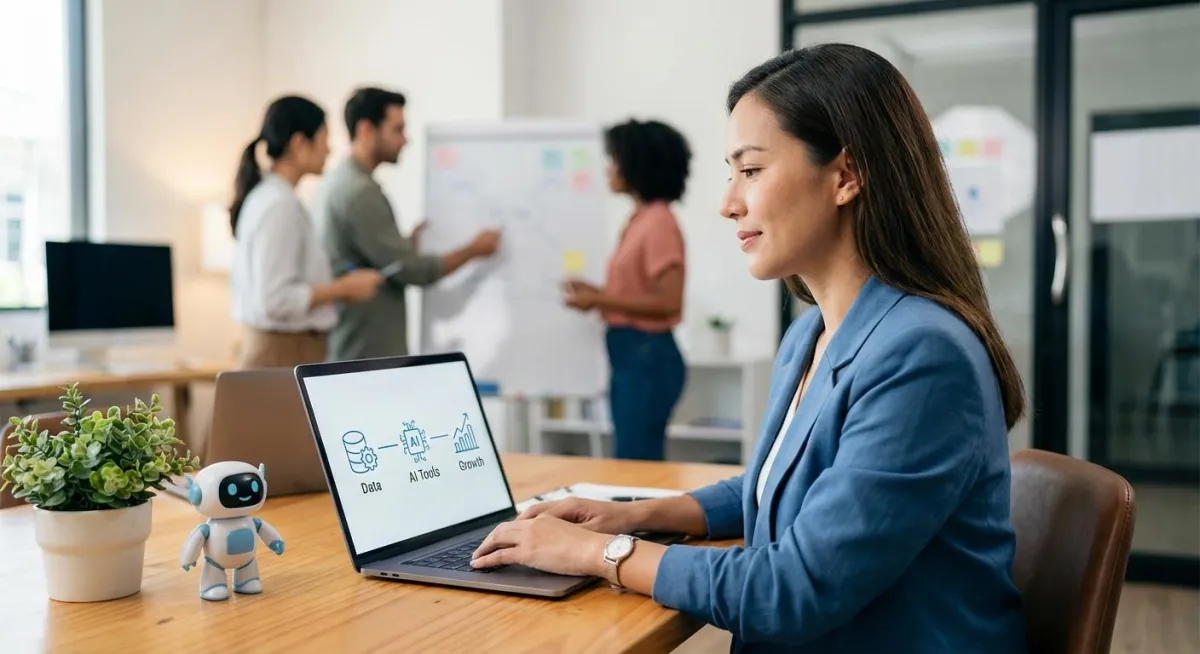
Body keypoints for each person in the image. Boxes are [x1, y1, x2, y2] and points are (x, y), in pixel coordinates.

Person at [470, 44, 1030, 653]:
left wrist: (601, 554)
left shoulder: (924, 355)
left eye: (752, 170)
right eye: (730, 172)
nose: (728, 202)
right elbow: (772, 484)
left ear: (845, 175)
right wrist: (631, 516)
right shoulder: (809, 335)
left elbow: (794, 589)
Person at [316, 87, 501, 361]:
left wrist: (403, 245)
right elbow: (411, 270)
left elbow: (377, 259)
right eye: (397, 129)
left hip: (357, 349)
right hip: (365, 355)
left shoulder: (339, 182)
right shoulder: (359, 192)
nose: (405, 140)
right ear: (367, 129)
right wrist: (473, 250)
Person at [562, 119, 691, 461]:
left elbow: (668, 301)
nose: (609, 169)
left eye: (615, 159)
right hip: (633, 354)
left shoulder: (660, 221)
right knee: (631, 458)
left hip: (646, 356)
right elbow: (639, 289)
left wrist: (599, 299)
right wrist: (597, 292)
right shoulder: (642, 218)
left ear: (637, 164)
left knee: (634, 463)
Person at [229, 95, 383, 369]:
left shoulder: (275, 198)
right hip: (281, 353)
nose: (329, 150)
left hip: (287, 350)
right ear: (299, 143)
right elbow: (275, 299)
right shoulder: (279, 205)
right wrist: (342, 289)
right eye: (325, 139)